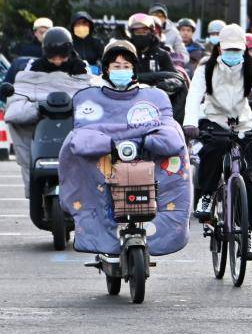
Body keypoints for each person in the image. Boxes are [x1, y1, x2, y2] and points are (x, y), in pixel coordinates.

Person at [58, 39, 191, 258]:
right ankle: (98, 233)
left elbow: (168, 126)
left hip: (144, 157)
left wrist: (147, 139)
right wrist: (108, 142)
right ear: (106, 69)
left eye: (126, 66)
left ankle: (159, 229)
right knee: (73, 147)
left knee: (175, 146)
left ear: (134, 69)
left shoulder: (153, 96)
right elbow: (83, 131)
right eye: (116, 66)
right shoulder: (91, 95)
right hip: (105, 158)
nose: (121, 70)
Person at [182, 24, 252, 259]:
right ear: (219, 48)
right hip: (213, 119)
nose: (233, 54)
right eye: (228, 49)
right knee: (214, 149)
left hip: (243, 123)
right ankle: (208, 195)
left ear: (244, 50)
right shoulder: (206, 67)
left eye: (237, 50)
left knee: (251, 180)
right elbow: (193, 96)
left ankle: (246, 233)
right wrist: (190, 122)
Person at [4, 27, 99, 196]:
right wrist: (38, 107)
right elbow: (14, 108)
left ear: (69, 52)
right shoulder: (31, 70)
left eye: (62, 57)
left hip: (73, 130)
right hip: (42, 134)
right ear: (45, 53)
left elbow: (94, 99)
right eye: (52, 57)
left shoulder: (83, 70)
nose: (57, 62)